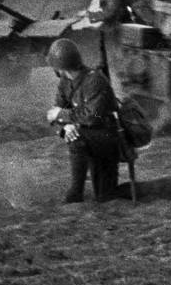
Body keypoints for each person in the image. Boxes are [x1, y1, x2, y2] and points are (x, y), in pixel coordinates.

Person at [46, 37, 123, 203]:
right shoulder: (65, 82)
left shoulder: (95, 80)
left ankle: (75, 194)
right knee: (105, 195)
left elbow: (93, 116)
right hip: (90, 137)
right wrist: (65, 127)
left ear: (59, 67)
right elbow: (55, 111)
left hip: (106, 138)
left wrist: (63, 116)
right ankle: (76, 192)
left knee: (105, 196)